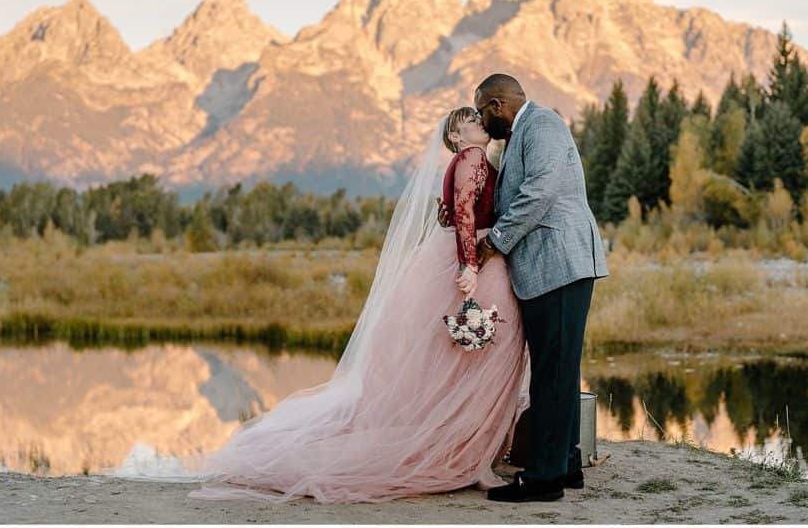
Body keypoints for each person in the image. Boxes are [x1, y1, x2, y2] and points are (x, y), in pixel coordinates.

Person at [182, 107, 530, 504]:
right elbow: (465, 216)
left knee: (455, 362)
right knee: (476, 362)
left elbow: (454, 211)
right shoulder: (470, 159)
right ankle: (472, 460)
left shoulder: (467, 160)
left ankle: (467, 451)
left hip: (457, 256)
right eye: (470, 121)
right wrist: (470, 266)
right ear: (456, 136)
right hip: (475, 264)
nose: (480, 124)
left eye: (478, 119)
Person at [440, 73, 609, 503]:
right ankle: (566, 464)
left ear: (496, 105)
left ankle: (544, 479)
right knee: (561, 368)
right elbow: (507, 198)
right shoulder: (518, 137)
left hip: (560, 263)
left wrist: (494, 242)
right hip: (549, 267)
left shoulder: (543, 125)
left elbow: (540, 192)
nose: (480, 118)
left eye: (480, 111)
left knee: (552, 371)